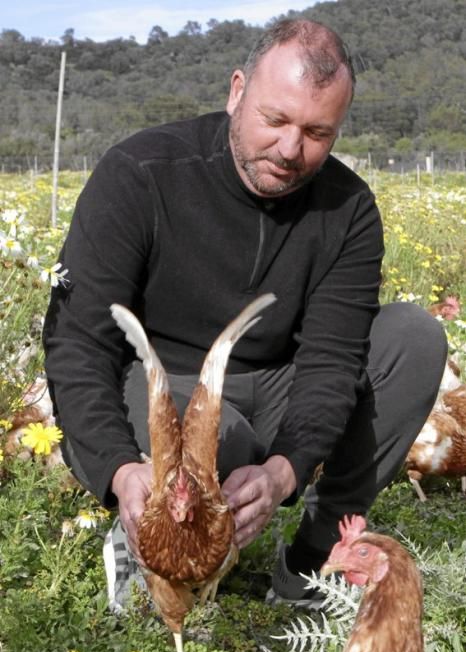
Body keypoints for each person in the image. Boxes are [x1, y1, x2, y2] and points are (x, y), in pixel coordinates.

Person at [43, 18, 447, 608]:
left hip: (278, 381)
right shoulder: (141, 174)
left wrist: (284, 470)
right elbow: (79, 344)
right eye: (275, 120)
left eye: (317, 132)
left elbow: (332, 358)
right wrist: (119, 471)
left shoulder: (349, 207)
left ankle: (311, 564)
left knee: (413, 338)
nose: (290, 150)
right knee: (218, 439)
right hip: (164, 384)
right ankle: (146, 542)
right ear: (236, 91)